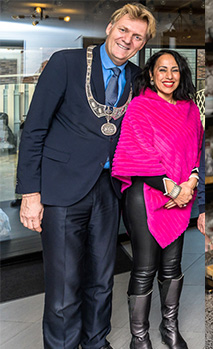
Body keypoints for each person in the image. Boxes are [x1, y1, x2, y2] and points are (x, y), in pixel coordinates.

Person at [15, 4, 156, 349]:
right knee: (64, 283)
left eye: (137, 37)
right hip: (62, 188)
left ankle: (95, 341)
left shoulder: (138, 78)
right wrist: (30, 194)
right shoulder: (67, 63)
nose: (128, 40)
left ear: (142, 43)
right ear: (110, 27)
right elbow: (34, 129)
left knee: (102, 277)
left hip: (109, 190)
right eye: (124, 30)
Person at [112, 50, 203, 349]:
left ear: (181, 74)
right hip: (145, 196)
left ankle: (170, 328)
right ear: (151, 74)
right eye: (162, 70)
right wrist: (175, 191)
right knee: (144, 267)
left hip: (181, 195)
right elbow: (136, 157)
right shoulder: (139, 107)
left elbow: (195, 153)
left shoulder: (190, 109)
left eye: (174, 70)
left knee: (172, 267)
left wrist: (189, 184)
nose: (168, 76)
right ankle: (139, 338)